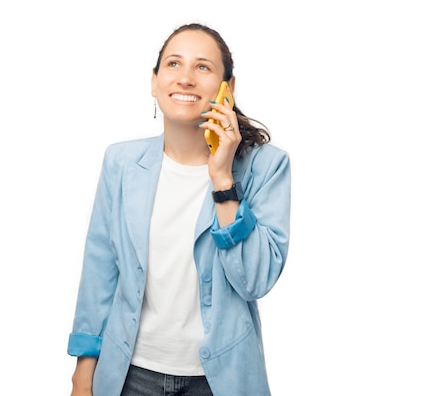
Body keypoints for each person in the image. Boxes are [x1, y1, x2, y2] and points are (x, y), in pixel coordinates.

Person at [67, 23, 291, 396]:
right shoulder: (121, 162)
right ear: (154, 82)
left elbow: (255, 280)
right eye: (173, 64)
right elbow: (100, 268)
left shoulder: (266, 167)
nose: (185, 78)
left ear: (228, 89)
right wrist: (82, 372)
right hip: (127, 375)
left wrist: (222, 180)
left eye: (202, 67)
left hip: (220, 381)